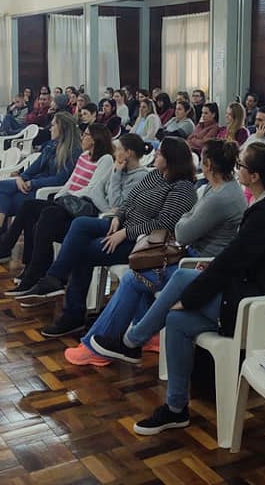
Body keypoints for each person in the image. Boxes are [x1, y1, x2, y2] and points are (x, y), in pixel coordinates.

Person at [109, 143, 265, 435]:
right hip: (247, 292)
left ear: (253, 176)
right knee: (175, 319)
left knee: (180, 282)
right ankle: (176, 408)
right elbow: (234, 260)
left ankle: (132, 340)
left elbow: (233, 262)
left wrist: (189, 299)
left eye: (241, 166)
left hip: (263, 308)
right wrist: (190, 296)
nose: (237, 169)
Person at [68, 139, 247, 366]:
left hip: (198, 265)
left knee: (134, 279)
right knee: (140, 274)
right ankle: (132, 336)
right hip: (192, 257)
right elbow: (141, 205)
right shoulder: (220, 188)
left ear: (208, 164)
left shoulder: (219, 196)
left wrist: (184, 217)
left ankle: (99, 345)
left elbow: (180, 230)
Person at [22, 137, 198, 338]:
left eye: (160, 153)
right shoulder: (156, 175)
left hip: (143, 242)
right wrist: (118, 216)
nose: (156, 155)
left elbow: (165, 224)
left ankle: (72, 314)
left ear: (171, 158)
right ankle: (55, 278)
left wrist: (125, 232)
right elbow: (130, 199)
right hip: (122, 225)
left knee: (84, 252)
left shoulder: (182, 188)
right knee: (80, 224)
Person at [0, 123, 115, 269]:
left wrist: (66, 197)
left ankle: (12, 253)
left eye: (86, 134)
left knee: (39, 216)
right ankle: (19, 257)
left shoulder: (105, 159)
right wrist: (60, 197)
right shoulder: (82, 155)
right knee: (27, 207)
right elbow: (70, 182)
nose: (82, 137)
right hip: (67, 200)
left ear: (94, 139)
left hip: (81, 205)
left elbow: (92, 189)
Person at [0, 111, 81, 236]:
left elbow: (60, 180)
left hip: (46, 191)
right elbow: (36, 166)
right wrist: (22, 177)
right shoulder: (51, 145)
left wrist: (32, 183)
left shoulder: (73, 151)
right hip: (34, 184)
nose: (50, 128)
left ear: (63, 128)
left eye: (54, 125)